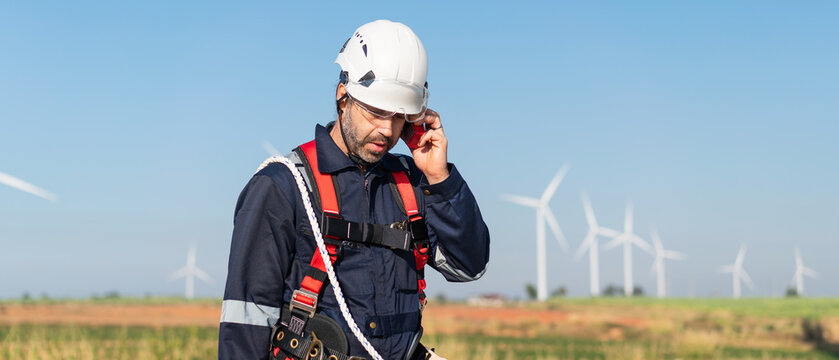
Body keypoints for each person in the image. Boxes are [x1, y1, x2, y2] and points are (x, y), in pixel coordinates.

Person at [219, 20, 490, 360]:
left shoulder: (413, 184)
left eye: (400, 116)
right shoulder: (284, 186)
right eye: (376, 112)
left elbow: (468, 267)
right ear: (343, 95)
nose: (387, 130)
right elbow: (246, 322)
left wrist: (440, 178)